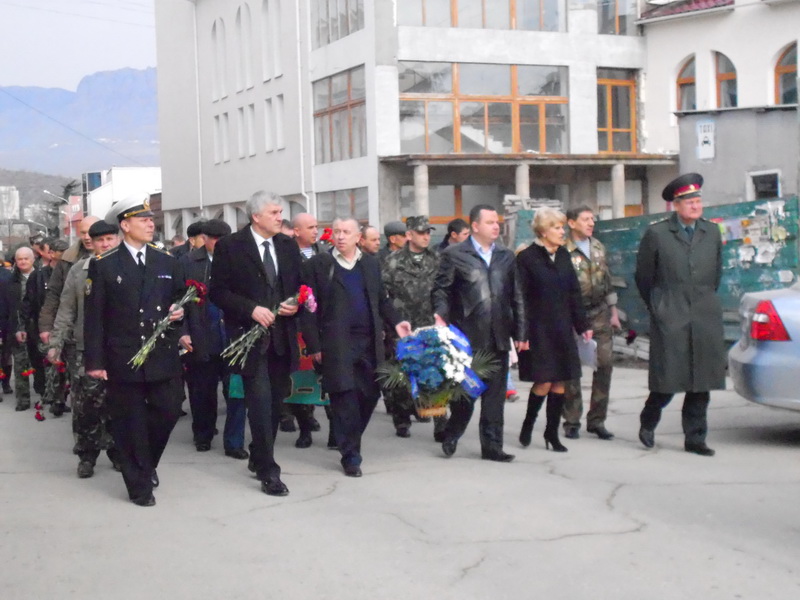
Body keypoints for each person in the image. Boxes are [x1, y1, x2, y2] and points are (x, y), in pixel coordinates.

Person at [84, 193, 186, 506]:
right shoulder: (104, 265)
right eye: (143, 220)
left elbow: (181, 299)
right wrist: (95, 361)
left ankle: (146, 462)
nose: (150, 224)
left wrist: (180, 314)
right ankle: (139, 485)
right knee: (129, 422)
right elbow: (94, 317)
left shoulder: (166, 261)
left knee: (168, 410)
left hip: (161, 353)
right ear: (125, 226)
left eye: (151, 220)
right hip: (123, 355)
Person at [209, 190, 304, 497]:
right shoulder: (231, 246)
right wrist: (250, 309)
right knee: (260, 403)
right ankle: (269, 471)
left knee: (275, 404)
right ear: (256, 216)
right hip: (249, 340)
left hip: (281, 338)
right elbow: (218, 292)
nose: (280, 217)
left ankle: (258, 453)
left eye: (281, 212)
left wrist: (294, 303)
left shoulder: (287, 245)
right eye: (274, 213)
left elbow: (299, 287)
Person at [301, 216, 411, 477]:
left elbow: (381, 300)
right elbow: (308, 309)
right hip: (336, 342)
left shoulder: (370, 264)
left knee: (370, 394)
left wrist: (397, 322)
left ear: (358, 237)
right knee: (344, 396)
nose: (340, 236)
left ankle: (348, 436)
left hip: (369, 340)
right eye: (337, 231)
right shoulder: (319, 265)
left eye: (346, 232)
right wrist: (314, 344)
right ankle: (350, 455)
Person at [635, 173, 724, 457]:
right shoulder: (658, 234)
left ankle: (696, 439)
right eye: (689, 202)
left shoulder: (712, 232)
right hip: (671, 312)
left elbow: (716, 273)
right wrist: (659, 306)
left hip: (703, 313)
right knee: (668, 378)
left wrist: (703, 300)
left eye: (698, 201)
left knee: (701, 381)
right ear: (676, 205)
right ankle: (649, 419)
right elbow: (643, 277)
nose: (695, 206)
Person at [432, 204, 527, 462]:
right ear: (475, 226)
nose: (496, 226)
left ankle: (492, 447)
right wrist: (440, 314)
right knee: (466, 393)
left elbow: (517, 295)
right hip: (467, 337)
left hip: (499, 335)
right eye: (490, 222)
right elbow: (441, 290)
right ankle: (452, 432)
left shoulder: (506, 256)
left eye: (497, 222)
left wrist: (521, 332)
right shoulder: (454, 255)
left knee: (495, 397)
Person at [49, 220, 122, 478]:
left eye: (110, 239)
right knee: (85, 405)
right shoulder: (79, 271)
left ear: (118, 239)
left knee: (118, 403)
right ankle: (87, 455)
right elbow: (66, 308)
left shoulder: (129, 268)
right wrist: (56, 342)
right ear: (92, 243)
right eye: (100, 240)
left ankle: (117, 451)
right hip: (84, 349)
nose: (105, 244)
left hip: (120, 349)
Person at [516, 208, 591, 453]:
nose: (562, 232)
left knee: (561, 381)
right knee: (544, 381)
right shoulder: (527, 258)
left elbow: (574, 293)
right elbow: (520, 298)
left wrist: (582, 325)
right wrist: (522, 333)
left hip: (562, 326)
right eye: (557, 228)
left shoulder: (563, 255)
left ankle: (551, 433)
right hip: (538, 329)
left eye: (562, 227)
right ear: (543, 231)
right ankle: (528, 424)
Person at [178, 219, 248, 458]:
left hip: (233, 337)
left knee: (236, 392)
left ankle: (234, 442)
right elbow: (177, 301)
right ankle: (203, 434)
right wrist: (182, 331)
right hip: (202, 335)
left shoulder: (239, 261)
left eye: (222, 240)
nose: (217, 245)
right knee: (202, 392)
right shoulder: (188, 263)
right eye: (213, 240)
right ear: (203, 239)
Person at [381, 215, 444, 439]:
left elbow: (444, 289)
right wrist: (390, 322)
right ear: (409, 235)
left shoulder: (437, 259)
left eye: (428, 232)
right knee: (402, 375)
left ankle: (440, 422)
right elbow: (383, 295)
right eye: (421, 233)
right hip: (402, 326)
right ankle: (402, 419)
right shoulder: (393, 261)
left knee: (434, 373)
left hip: (429, 324)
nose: (426, 237)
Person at [562, 205, 620, 441]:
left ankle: (597, 420)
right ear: (571, 223)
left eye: (592, 219)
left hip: (599, 313)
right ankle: (571, 420)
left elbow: (607, 281)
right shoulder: (562, 249)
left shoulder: (598, 247)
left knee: (605, 364)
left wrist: (613, 311)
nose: (591, 223)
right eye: (585, 219)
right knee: (571, 369)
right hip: (571, 315)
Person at [10, 246, 44, 409]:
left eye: (26, 258)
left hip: (39, 325)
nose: (23, 262)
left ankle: (44, 394)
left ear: (33, 259)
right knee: (21, 362)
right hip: (18, 325)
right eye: (20, 259)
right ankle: (23, 399)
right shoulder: (10, 281)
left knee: (41, 362)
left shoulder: (42, 276)